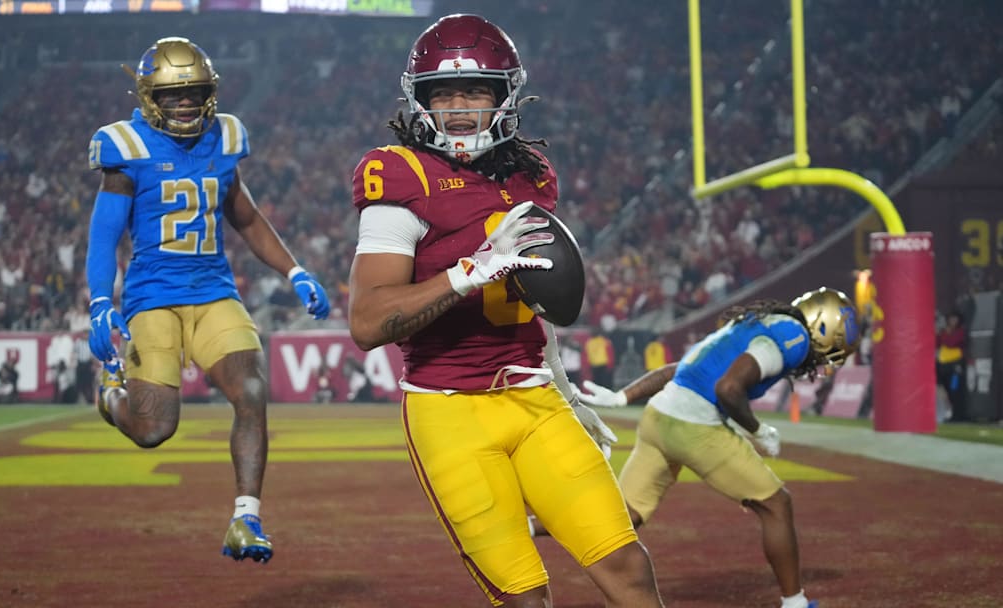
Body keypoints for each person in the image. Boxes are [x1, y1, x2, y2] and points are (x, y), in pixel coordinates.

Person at [346, 14, 664, 607]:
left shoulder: (532, 175)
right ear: (419, 101)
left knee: (626, 565)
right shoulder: (399, 172)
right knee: (525, 598)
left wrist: (564, 388)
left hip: (536, 399)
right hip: (451, 413)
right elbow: (368, 322)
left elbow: (532, 305)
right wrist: (469, 272)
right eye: (442, 93)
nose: (459, 107)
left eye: (475, 91)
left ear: (505, 97)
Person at [85, 37, 331, 564]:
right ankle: (110, 396)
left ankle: (246, 517)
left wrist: (295, 269)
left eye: (195, 92)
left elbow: (244, 215)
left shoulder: (224, 138)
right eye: (174, 95)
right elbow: (104, 235)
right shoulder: (126, 147)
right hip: (153, 297)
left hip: (214, 289)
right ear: (151, 97)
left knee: (250, 388)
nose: (187, 103)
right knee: (155, 429)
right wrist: (100, 301)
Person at [575, 287, 861, 608]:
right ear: (825, 330)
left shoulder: (757, 322)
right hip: (692, 425)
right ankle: (794, 603)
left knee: (623, 516)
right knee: (776, 504)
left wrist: (623, 396)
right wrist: (758, 430)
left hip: (657, 416)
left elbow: (682, 369)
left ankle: (531, 526)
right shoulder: (793, 335)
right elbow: (728, 388)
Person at [936, 310, 968, 422]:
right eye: (950, 318)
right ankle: (952, 413)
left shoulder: (960, 332)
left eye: (955, 318)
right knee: (948, 390)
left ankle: (958, 414)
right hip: (944, 366)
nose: (952, 321)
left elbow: (950, 342)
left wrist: (944, 334)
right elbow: (937, 342)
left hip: (956, 366)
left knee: (955, 389)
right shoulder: (944, 331)